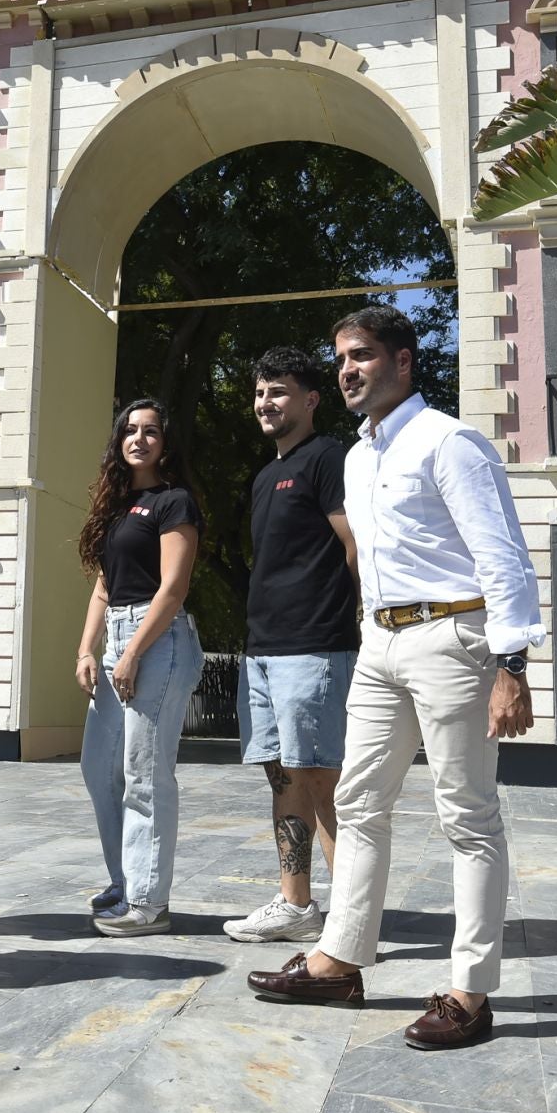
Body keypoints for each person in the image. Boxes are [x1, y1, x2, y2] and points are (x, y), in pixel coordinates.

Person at [249, 304, 543, 1051]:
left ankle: (469, 992)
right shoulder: (357, 457)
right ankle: (339, 960)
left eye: (363, 355)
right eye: (341, 358)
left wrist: (511, 665)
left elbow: (503, 557)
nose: (348, 369)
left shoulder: (450, 442)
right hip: (379, 642)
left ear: (403, 360)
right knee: (357, 800)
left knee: (467, 815)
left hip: (453, 638)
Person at [224, 347, 358, 944]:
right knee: (282, 778)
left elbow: (355, 546)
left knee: (322, 781)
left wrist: (360, 618)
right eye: (259, 393)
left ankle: (353, 918)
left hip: (314, 647)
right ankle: (297, 905)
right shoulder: (263, 476)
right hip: (263, 651)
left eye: (278, 391)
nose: (265, 402)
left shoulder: (328, 457)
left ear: (311, 399)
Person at [74, 398, 206, 936]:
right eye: (130, 430)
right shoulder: (117, 506)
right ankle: (125, 881)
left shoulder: (174, 502)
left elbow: (173, 588)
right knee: (98, 767)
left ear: (165, 443)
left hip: (158, 640)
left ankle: (149, 903)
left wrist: (131, 654)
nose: (139, 439)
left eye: (151, 431)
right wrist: (87, 649)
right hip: (117, 639)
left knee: (144, 775)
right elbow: (104, 587)